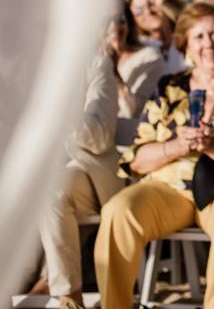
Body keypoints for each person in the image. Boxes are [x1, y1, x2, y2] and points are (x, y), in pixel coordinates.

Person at [95, 2, 214, 309]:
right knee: (117, 211)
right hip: (168, 188)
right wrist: (177, 146)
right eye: (199, 37)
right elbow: (136, 158)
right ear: (186, 45)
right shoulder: (169, 86)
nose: (209, 44)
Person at [38, 50, 124, 309]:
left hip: (85, 173)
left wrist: (57, 111)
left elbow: (100, 138)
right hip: (28, 173)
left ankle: (70, 297)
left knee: (51, 191)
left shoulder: (96, 66)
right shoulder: (17, 65)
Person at [105, 5, 165, 118]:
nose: (114, 27)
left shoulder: (149, 57)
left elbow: (133, 111)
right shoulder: (88, 60)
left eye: (120, 20)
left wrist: (114, 74)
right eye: (105, 21)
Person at [128, 0, 186, 75]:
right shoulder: (137, 49)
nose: (148, 12)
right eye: (139, 10)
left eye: (151, 4)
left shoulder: (186, 39)